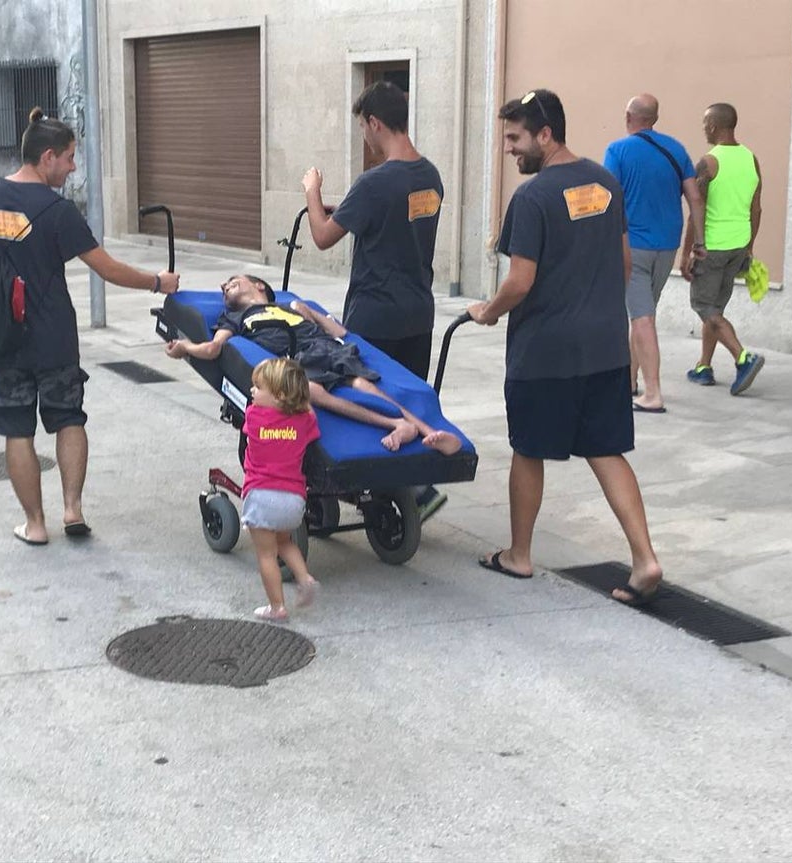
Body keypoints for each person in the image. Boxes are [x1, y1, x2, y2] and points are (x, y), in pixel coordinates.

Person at [467, 89, 663, 607]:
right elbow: (623, 263)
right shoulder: (605, 182)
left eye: (515, 138)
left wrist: (487, 311)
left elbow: (520, 280)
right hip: (604, 349)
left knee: (529, 449)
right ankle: (645, 560)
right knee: (606, 449)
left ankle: (519, 555)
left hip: (545, 352)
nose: (510, 149)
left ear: (546, 134)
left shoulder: (531, 199)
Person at [0, 107, 180, 546]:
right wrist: (158, 282)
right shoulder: (58, 211)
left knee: (16, 428)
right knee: (68, 418)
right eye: (70, 158)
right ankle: (72, 508)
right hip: (54, 336)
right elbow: (106, 268)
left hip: (3, 336)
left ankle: (35, 525)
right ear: (47, 158)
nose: (74, 167)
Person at [301, 80, 448, 518]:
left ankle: (405, 494)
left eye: (364, 127)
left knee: (369, 406)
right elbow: (389, 219)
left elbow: (324, 237)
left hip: (375, 315)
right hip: (418, 313)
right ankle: (412, 486)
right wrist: (342, 208)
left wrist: (311, 191)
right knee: (408, 401)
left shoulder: (374, 182)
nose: (364, 135)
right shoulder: (430, 176)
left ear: (375, 123)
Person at [163, 274, 462, 455]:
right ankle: (397, 424)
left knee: (363, 385)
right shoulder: (235, 318)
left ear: (257, 286)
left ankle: (427, 431)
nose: (224, 286)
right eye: (224, 286)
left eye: (232, 281)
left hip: (324, 346)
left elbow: (342, 333)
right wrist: (184, 347)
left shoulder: (286, 306)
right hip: (297, 358)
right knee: (312, 390)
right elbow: (214, 348)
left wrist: (310, 312)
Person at [603, 93, 706, 413]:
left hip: (633, 246)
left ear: (628, 116)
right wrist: (698, 243)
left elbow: (608, 199)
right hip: (667, 245)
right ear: (655, 120)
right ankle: (630, 382)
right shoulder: (676, 149)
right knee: (642, 314)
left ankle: (654, 393)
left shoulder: (617, 150)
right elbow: (696, 198)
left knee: (642, 318)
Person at [680, 103, 765, 396]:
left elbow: (696, 209)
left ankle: (743, 358)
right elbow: (757, 209)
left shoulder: (708, 163)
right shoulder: (751, 159)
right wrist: (749, 248)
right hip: (738, 246)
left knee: (705, 308)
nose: (703, 128)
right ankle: (704, 367)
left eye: (705, 123)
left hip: (712, 247)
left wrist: (689, 250)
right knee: (716, 309)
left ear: (714, 126)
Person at [239, 358, 321, 622]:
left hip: (261, 495)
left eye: (258, 387)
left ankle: (277, 607)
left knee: (266, 554)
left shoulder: (253, 415)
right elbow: (311, 416)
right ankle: (305, 578)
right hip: (293, 500)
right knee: (285, 542)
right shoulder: (303, 420)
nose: (253, 392)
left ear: (280, 395)